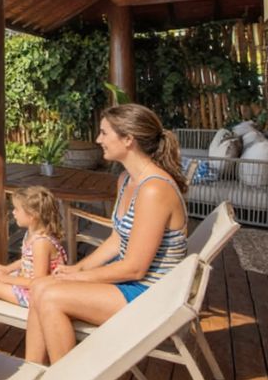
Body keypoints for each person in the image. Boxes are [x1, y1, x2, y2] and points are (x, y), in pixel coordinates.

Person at [25, 103, 188, 365]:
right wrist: (77, 268)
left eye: (104, 133)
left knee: (51, 296)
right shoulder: (126, 180)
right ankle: (31, 374)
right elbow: (116, 240)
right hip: (130, 284)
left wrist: (81, 278)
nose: (98, 139)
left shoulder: (154, 190)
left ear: (128, 139)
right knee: (39, 286)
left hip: (151, 295)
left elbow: (135, 269)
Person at [0, 186, 66, 305]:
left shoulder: (41, 244)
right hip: (27, 285)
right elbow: (27, 260)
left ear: (32, 216)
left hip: (39, 295)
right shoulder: (31, 234)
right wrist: (7, 269)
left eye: (17, 209)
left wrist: (7, 279)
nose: (13, 212)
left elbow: (39, 281)